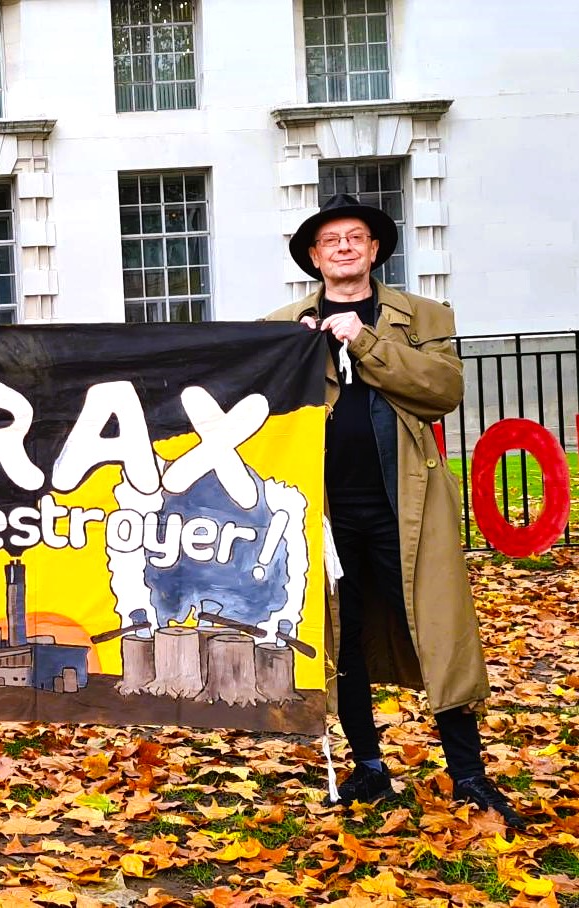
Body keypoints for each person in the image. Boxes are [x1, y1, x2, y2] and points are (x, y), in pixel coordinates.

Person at [266, 193, 526, 830]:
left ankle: (469, 774)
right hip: (328, 516)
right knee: (344, 636)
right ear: (314, 256)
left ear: (375, 249)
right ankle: (369, 766)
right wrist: (293, 358)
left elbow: (442, 390)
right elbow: (259, 410)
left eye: (356, 237)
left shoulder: (422, 316)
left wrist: (366, 341)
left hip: (406, 508)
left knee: (438, 633)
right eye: (331, 240)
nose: (344, 247)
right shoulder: (284, 325)